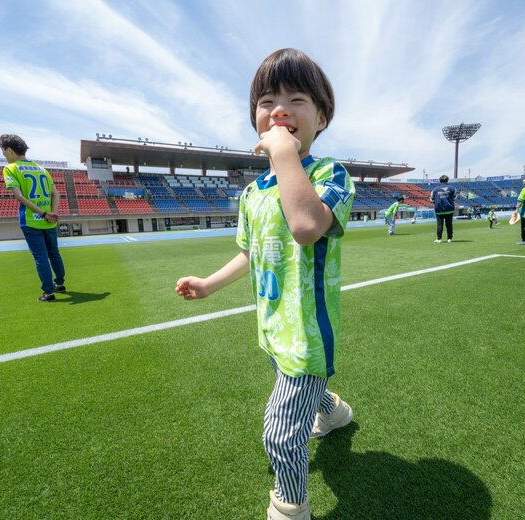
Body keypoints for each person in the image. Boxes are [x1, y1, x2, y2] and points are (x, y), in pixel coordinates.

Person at [175, 49, 354, 520]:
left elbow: (306, 226)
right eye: (266, 101)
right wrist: (209, 284)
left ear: (322, 116)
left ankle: (290, 506)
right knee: (293, 383)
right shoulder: (252, 192)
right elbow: (249, 253)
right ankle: (333, 412)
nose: (279, 110)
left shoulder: (330, 175)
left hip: (309, 332)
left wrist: (283, 154)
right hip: (274, 324)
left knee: (279, 430)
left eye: (296, 99)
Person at [0, 134, 66, 302]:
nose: (4, 155)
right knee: (54, 253)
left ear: (9, 150)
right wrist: (53, 213)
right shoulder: (41, 169)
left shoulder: (11, 168)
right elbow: (56, 194)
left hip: (31, 220)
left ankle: (48, 292)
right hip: (49, 221)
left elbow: (19, 197)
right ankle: (60, 283)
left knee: (41, 257)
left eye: (3, 151)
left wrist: (43, 213)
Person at [430, 175, 456, 243]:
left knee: (439, 225)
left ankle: (439, 239)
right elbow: (454, 198)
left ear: (440, 181)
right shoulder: (452, 188)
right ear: (447, 180)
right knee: (449, 224)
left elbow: (432, 199)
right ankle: (449, 239)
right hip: (449, 209)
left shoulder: (435, 190)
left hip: (439, 210)